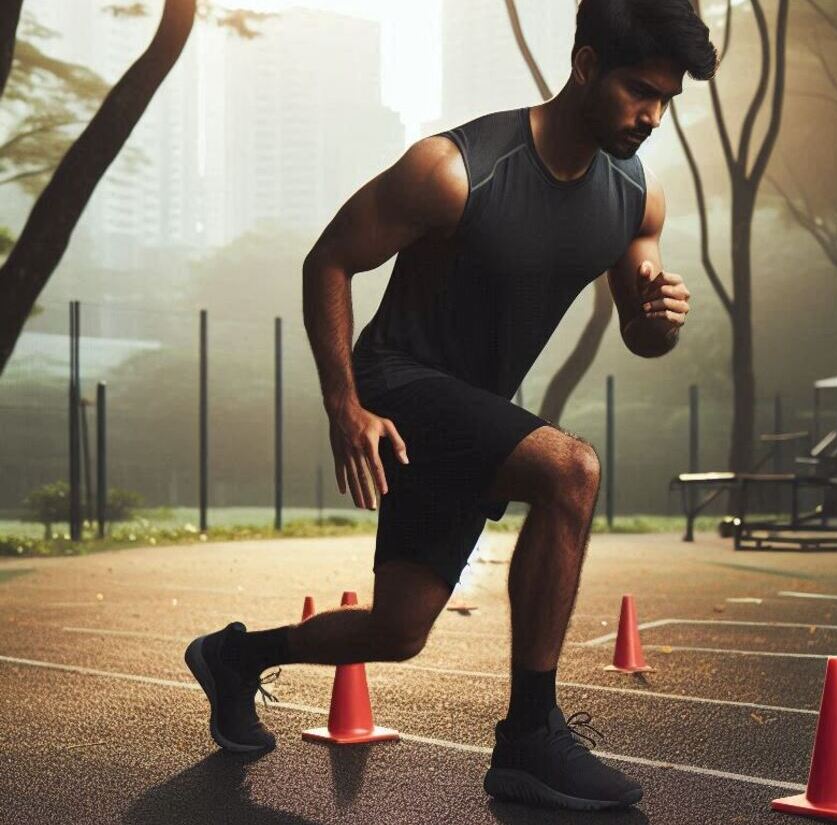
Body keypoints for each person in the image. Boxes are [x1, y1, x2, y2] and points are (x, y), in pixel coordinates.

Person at [185, 0, 716, 811]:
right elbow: (329, 259)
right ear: (584, 66)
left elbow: (644, 337)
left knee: (398, 631)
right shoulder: (456, 168)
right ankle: (531, 738)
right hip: (396, 383)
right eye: (639, 90)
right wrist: (344, 405)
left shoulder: (636, 198)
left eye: (666, 100)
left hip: (470, 415)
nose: (651, 115)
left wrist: (655, 322)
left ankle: (236, 657)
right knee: (571, 470)